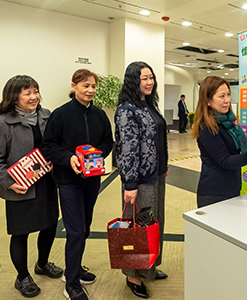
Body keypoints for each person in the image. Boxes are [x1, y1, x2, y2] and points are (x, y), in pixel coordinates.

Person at [41, 69, 113, 300]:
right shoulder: (60, 115)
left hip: (92, 180)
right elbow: (48, 146)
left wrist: (97, 154)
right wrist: (69, 158)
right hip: (68, 181)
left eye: (93, 86)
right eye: (85, 86)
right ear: (74, 86)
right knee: (75, 230)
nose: (90, 90)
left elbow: (107, 142)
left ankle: (76, 268)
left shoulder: (100, 114)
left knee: (86, 227)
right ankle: (71, 283)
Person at [0, 75, 62, 298]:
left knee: (50, 225)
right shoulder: (2, 123)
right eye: (28, 93)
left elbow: (54, 145)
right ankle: (22, 276)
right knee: (21, 233)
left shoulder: (47, 116)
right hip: (19, 188)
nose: (34, 97)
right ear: (15, 97)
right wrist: (10, 183)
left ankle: (42, 264)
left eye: (36, 91)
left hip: (46, 183)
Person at [114, 61, 169, 299]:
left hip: (156, 174)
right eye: (143, 79)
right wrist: (130, 184)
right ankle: (132, 274)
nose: (148, 82)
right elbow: (127, 149)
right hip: (139, 179)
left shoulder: (150, 105)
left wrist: (163, 166)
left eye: (151, 78)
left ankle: (149, 266)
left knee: (155, 222)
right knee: (136, 227)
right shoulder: (127, 110)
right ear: (133, 82)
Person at [192, 76, 247, 208]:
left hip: (232, 188)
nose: (227, 100)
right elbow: (225, 161)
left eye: (228, 94)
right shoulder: (207, 128)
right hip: (214, 194)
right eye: (221, 96)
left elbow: (244, 143)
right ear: (208, 101)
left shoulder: (229, 122)